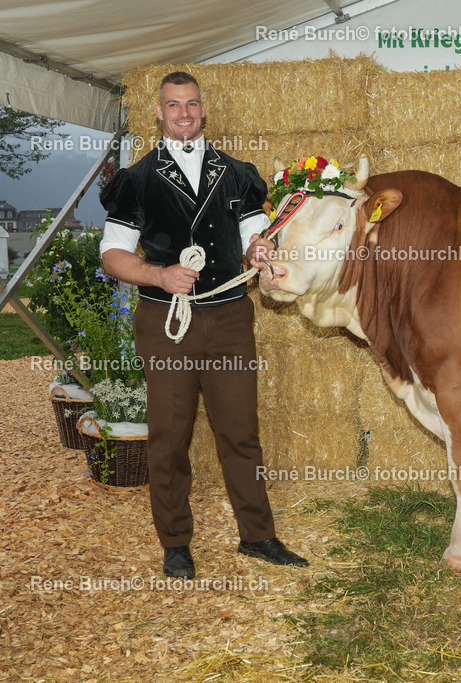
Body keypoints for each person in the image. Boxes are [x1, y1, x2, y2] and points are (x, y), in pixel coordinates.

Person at [99, 71, 305, 579]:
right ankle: (175, 543)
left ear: (203, 107)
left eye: (191, 104)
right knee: (170, 437)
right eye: (174, 106)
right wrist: (159, 274)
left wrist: (261, 251)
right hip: (166, 322)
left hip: (232, 316)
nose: (184, 114)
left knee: (241, 433)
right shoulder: (138, 179)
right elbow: (112, 255)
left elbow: (256, 235)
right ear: (159, 113)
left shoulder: (237, 173)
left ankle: (258, 536)